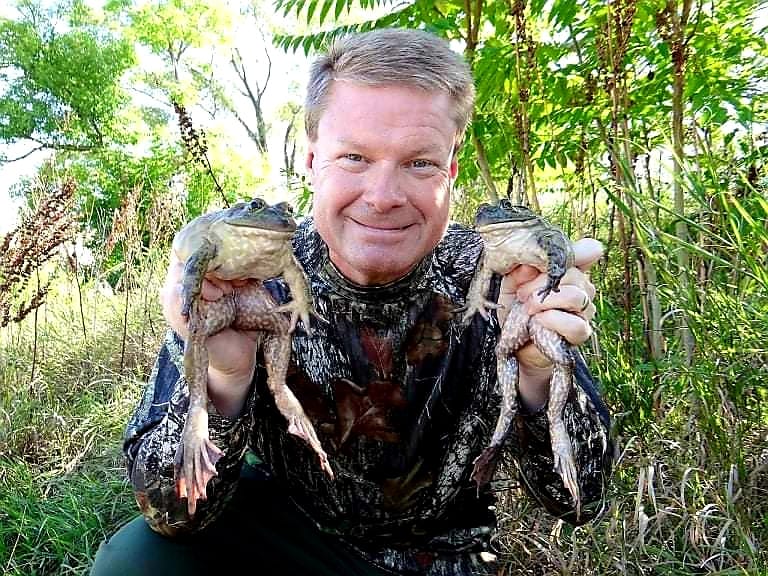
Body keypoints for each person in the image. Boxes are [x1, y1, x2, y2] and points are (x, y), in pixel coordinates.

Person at [91, 27, 611, 576]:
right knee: (137, 562)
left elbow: (581, 501)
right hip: (294, 542)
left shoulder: (500, 276)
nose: (383, 197)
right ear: (313, 162)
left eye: (419, 163)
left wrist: (537, 374)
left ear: (450, 171)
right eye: (355, 157)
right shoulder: (249, 275)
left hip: (446, 556)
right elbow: (173, 517)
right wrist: (224, 378)